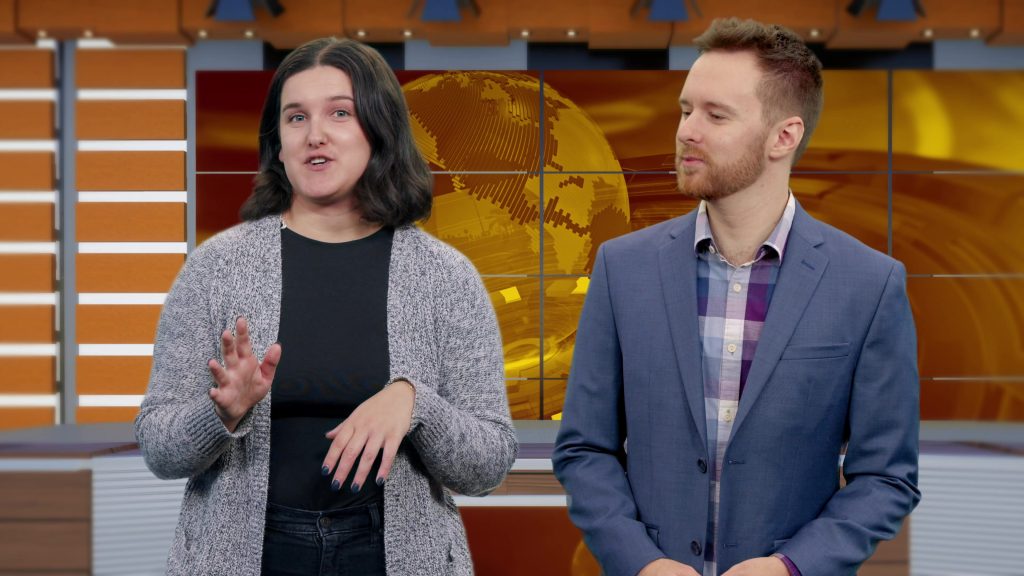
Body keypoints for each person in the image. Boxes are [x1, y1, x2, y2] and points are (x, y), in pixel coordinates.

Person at [134, 37, 517, 576]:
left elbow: (488, 465)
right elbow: (159, 447)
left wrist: (415, 403)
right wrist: (220, 412)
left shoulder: (445, 276)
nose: (316, 134)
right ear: (279, 143)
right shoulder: (216, 267)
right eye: (296, 118)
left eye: (340, 113)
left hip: (393, 555)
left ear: (378, 130)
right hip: (247, 555)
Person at [552, 18, 920, 576]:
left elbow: (886, 477)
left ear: (784, 136)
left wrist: (791, 567)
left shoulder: (869, 284)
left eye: (715, 115)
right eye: (684, 110)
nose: (686, 131)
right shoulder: (622, 268)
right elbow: (585, 449)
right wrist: (642, 563)